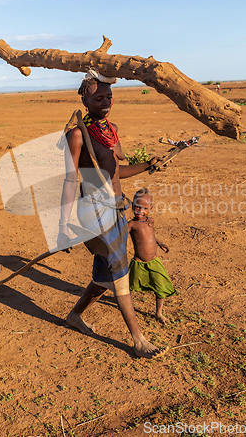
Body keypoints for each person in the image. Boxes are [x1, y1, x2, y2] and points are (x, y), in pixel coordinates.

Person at [57, 70, 163, 358]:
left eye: (109, 96)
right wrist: (63, 224)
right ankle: (138, 339)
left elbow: (116, 173)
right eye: (99, 97)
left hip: (118, 208)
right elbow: (70, 180)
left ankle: (74, 315)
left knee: (106, 272)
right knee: (119, 270)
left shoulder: (111, 130)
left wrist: (146, 165)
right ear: (85, 98)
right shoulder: (77, 135)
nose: (106, 101)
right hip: (94, 211)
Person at [128, 188, 176, 324]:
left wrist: (160, 243)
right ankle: (127, 307)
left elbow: (151, 236)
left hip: (154, 261)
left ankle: (159, 313)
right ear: (132, 206)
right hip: (138, 262)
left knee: (160, 286)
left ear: (151, 208)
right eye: (137, 206)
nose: (140, 211)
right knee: (130, 287)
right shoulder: (131, 224)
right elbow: (120, 237)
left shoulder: (151, 221)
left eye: (144, 208)